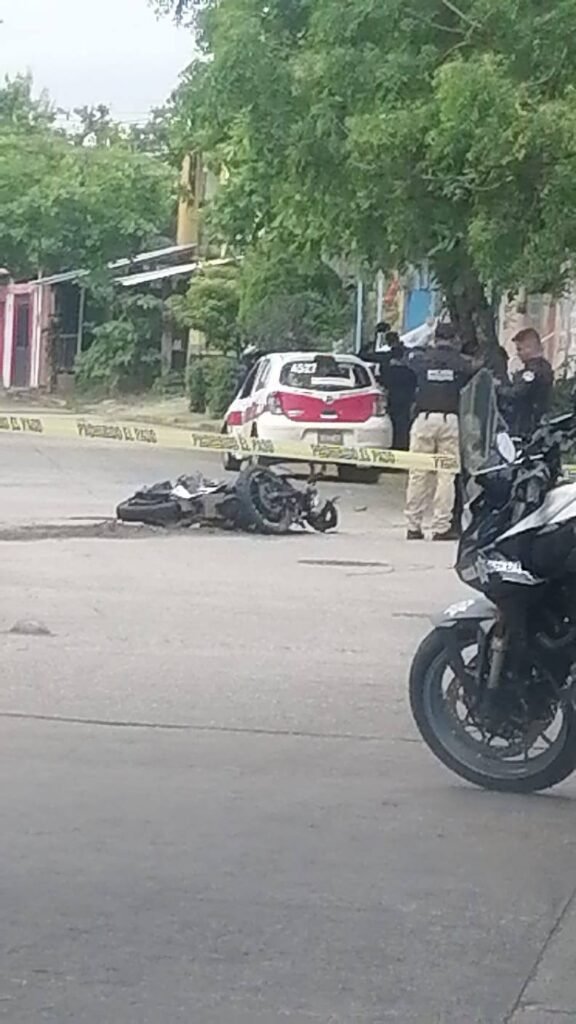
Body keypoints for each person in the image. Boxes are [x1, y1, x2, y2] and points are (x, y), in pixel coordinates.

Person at [405, 323, 473, 541]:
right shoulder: (460, 362)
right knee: (446, 475)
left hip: (424, 420)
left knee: (418, 473)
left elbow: (408, 354)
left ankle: (413, 526)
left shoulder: (422, 359)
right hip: (449, 420)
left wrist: (425, 340)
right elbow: (474, 372)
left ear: (435, 338)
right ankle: (441, 527)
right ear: (454, 339)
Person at [499, 327, 553, 438]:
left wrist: (498, 388)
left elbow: (517, 393)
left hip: (528, 426)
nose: (518, 354)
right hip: (532, 423)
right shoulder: (542, 367)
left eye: (520, 349)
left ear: (529, 348)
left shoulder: (534, 371)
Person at [378, 331, 417, 450]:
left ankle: (394, 446)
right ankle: (403, 446)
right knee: (404, 425)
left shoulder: (388, 371)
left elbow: (383, 384)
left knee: (392, 424)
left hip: (392, 400)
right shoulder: (410, 372)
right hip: (406, 402)